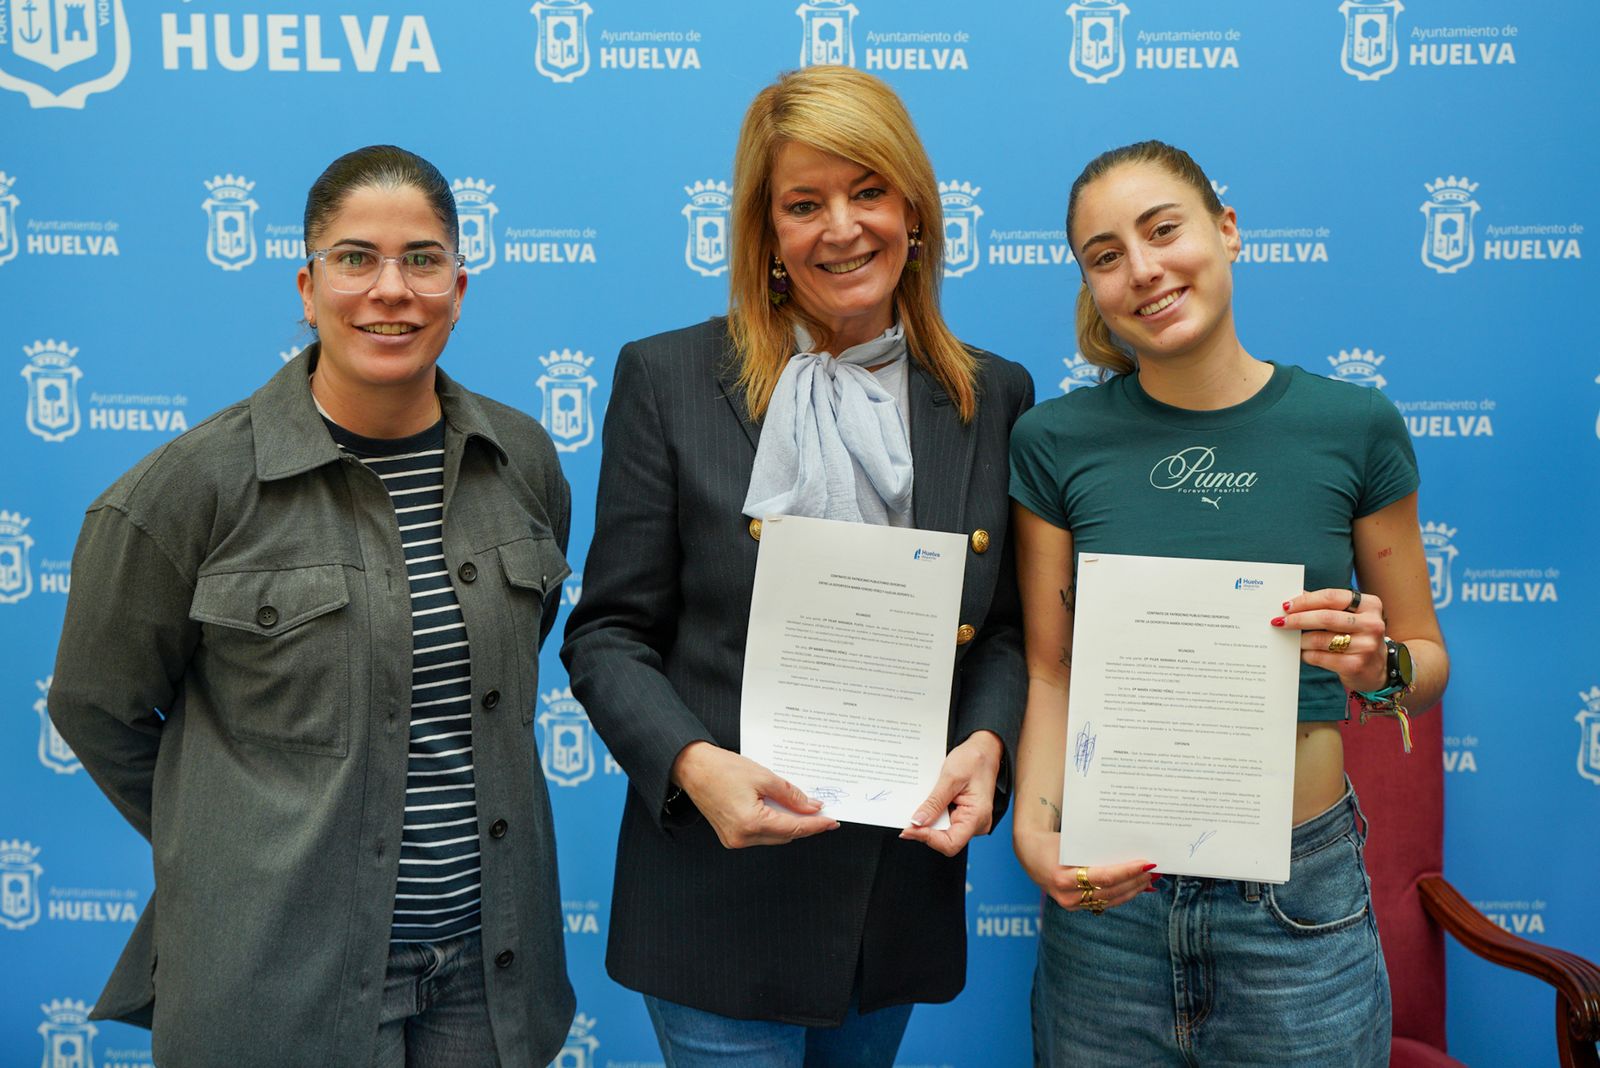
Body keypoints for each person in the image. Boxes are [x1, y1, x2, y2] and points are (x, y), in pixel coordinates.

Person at [48, 145, 575, 1067]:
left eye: (422, 259)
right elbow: (98, 707)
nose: (390, 289)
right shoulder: (189, 490)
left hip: (488, 977)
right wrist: (234, 834)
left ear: (460, 287)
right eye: (354, 258)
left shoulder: (520, 460)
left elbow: (516, 658)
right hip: (280, 981)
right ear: (307, 285)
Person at [561, 65, 1034, 1067]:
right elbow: (607, 635)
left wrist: (987, 745)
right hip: (718, 892)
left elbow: (999, 630)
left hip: (894, 890)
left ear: (914, 210)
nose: (842, 228)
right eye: (803, 204)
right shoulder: (670, 379)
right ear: (764, 233)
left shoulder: (990, 394)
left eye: (868, 191)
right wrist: (693, 770)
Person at [1008, 140, 1449, 1066]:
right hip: (1110, 908)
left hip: (1299, 902)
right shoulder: (1052, 442)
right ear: (1091, 286)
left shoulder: (1353, 425)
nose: (1143, 269)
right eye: (1106, 255)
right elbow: (1053, 668)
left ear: (1228, 229)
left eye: (1163, 230)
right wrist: (1034, 829)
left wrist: (1380, 666)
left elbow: (1423, 661)